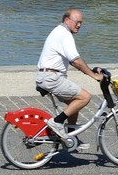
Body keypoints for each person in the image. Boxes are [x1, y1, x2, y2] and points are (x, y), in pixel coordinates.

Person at [35, 8, 103, 141]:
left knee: (74, 104)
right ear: (66, 20)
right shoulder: (64, 34)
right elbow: (76, 60)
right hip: (52, 78)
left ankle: (72, 137)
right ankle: (56, 122)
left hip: (48, 76)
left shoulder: (59, 32)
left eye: (81, 23)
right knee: (84, 97)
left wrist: (91, 70)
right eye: (77, 22)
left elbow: (73, 61)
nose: (79, 25)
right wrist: (94, 76)